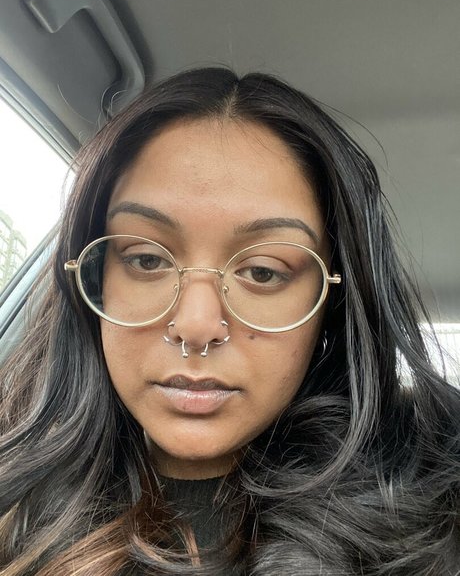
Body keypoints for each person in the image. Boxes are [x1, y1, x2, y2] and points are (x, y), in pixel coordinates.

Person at [0, 67, 458, 576]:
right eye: (146, 259)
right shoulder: (14, 491)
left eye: (263, 271)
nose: (196, 326)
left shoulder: (433, 515)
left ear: (333, 302)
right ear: (94, 279)